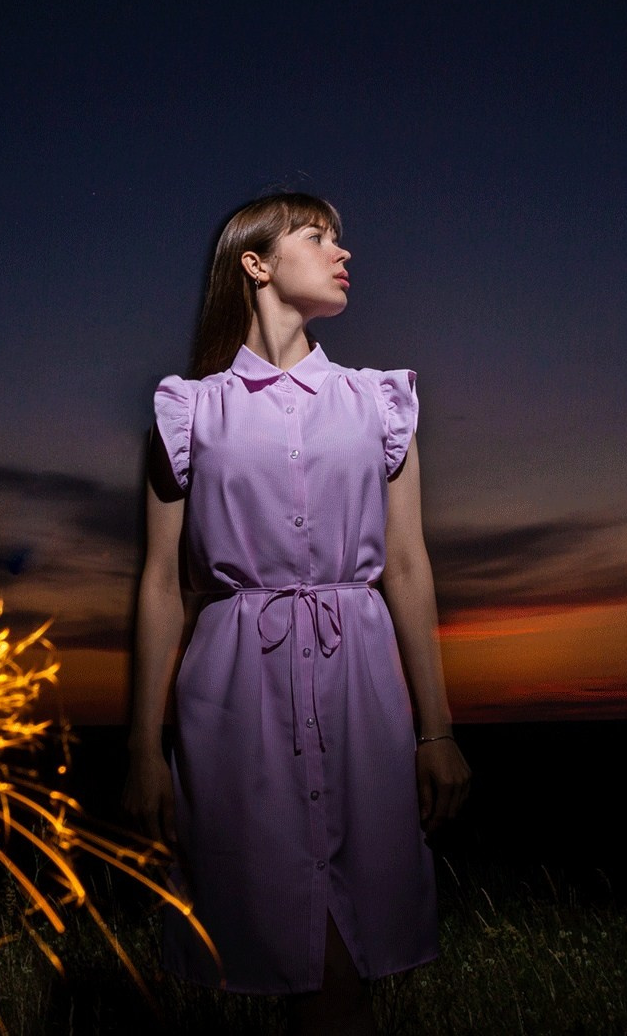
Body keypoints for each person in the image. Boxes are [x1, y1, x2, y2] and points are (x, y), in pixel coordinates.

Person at [124, 192, 471, 1035]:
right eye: (317, 237)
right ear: (256, 262)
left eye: (340, 239)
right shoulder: (189, 412)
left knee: (349, 937)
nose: (343, 253)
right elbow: (163, 585)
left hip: (360, 676)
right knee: (279, 930)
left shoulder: (377, 402)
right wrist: (141, 748)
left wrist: (438, 731)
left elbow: (410, 566)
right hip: (233, 686)